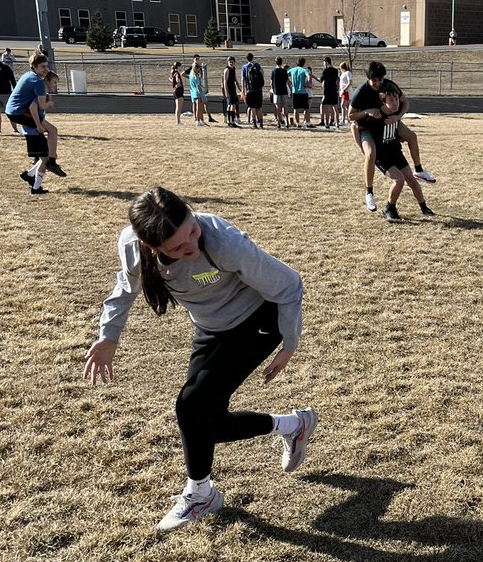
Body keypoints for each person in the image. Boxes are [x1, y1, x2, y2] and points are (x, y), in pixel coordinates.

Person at [83, 187, 319, 532]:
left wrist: (289, 344)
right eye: (178, 247)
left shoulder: (222, 242)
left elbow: (287, 284)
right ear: (152, 247)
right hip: (212, 327)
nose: (191, 245)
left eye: (192, 231)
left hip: (258, 321)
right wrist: (108, 337)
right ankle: (293, 425)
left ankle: (201, 494)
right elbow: (125, 288)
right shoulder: (133, 246)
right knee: (205, 421)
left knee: (191, 406)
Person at [349, 61, 435, 213]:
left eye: (380, 80)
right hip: (367, 126)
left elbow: (405, 102)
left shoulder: (389, 87)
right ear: (369, 79)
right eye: (374, 80)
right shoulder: (361, 92)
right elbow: (352, 119)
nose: (377, 83)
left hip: (390, 128)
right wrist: (367, 111)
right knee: (371, 154)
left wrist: (398, 117)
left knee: (412, 136)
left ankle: (419, 170)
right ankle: (369, 192)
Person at [372, 87, 435, 221]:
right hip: (382, 157)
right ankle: (389, 208)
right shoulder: (376, 116)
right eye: (391, 100)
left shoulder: (396, 115)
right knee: (399, 180)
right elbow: (355, 126)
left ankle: (424, 207)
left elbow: (406, 133)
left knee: (412, 180)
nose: (395, 103)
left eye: (396, 100)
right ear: (384, 102)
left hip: (395, 152)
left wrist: (399, 133)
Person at [5, 51, 65, 176]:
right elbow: (39, 106)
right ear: (34, 66)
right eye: (43, 66)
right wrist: (48, 105)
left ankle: (39, 166)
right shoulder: (37, 81)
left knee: (51, 133)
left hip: (14, 110)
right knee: (52, 132)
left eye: (47, 66)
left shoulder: (28, 74)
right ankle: (50, 162)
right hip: (18, 112)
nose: (46, 69)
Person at [19, 69, 60, 195]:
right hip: (32, 131)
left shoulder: (44, 95)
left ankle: (29, 175)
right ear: (46, 81)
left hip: (34, 130)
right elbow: (32, 108)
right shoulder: (39, 94)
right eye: (54, 82)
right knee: (45, 159)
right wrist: (38, 125)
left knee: (44, 158)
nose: (56, 86)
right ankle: (35, 188)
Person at [0, 49, 18, 134]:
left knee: (10, 112)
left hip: (6, 93)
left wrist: (15, 91)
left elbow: (12, 80)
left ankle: (15, 129)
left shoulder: (5, 67)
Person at [241, 52, 266, 128]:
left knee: (252, 107)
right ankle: (261, 122)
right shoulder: (257, 65)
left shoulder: (245, 67)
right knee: (259, 107)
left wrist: (243, 90)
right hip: (258, 89)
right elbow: (262, 73)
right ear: (253, 57)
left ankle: (254, 123)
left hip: (250, 90)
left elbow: (243, 79)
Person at [288, 57, 312, 128]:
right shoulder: (304, 70)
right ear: (304, 63)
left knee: (296, 109)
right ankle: (307, 123)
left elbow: (285, 75)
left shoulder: (292, 70)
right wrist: (307, 83)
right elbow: (309, 76)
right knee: (306, 108)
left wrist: (289, 82)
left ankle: (297, 123)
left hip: (295, 91)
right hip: (303, 92)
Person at [189, 58, 212, 126]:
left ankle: (201, 120)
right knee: (199, 109)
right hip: (197, 93)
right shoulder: (195, 76)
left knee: (199, 108)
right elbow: (198, 86)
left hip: (193, 92)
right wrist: (201, 95)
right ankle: (198, 121)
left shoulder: (191, 74)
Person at [319, 56, 340, 130]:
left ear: (326, 62)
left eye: (324, 63)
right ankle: (337, 123)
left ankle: (327, 124)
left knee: (327, 109)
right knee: (335, 108)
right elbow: (337, 80)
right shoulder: (335, 70)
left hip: (327, 91)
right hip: (334, 90)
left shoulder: (325, 71)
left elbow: (322, 80)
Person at [270, 56, 291, 128]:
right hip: (284, 90)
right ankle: (287, 121)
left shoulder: (274, 71)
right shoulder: (284, 71)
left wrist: (273, 89)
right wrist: (290, 90)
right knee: (285, 106)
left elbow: (271, 82)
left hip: (276, 91)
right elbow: (288, 81)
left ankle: (279, 122)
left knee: (278, 107)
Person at [222, 55, 241, 127]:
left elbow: (236, 80)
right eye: (229, 62)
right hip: (229, 89)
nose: (231, 63)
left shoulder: (233, 69)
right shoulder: (227, 70)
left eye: (232, 62)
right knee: (232, 105)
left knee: (231, 105)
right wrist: (226, 92)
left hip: (233, 89)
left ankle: (230, 121)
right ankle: (231, 121)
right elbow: (225, 81)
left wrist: (240, 89)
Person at [170, 60, 185, 125]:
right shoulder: (177, 73)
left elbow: (172, 80)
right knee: (179, 108)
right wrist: (179, 84)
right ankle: (178, 121)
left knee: (177, 107)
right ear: (178, 67)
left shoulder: (173, 73)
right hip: (178, 91)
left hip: (175, 91)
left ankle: (177, 121)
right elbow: (177, 80)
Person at [338, 61, 353, 125]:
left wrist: (344, 89)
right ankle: (347, 119)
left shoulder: (348, 73)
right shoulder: (342, 73)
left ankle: (343, 120)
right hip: (343, 91)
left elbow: (350, 82)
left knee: (343, 105)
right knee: (346, 106)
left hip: (346, 91)